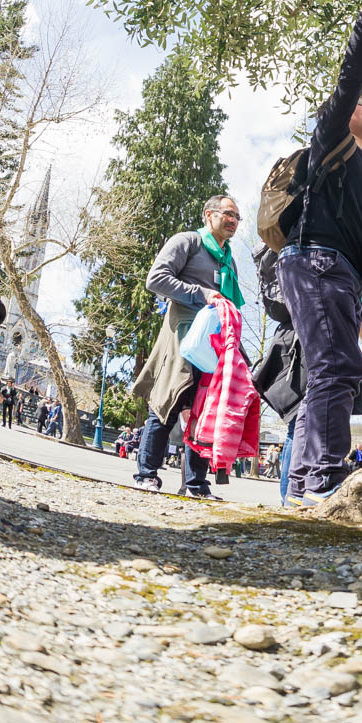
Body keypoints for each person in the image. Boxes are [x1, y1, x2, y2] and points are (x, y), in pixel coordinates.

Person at [278, 0, 362, 506]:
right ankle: (324, 479)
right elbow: (348, 84)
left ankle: (303, 482)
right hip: (313, 263)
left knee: (334, 367)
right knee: (333, 368)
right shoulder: (329, 144)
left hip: (336, 272)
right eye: (359, 101)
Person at [133, 195, 244, 500]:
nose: (233, 220)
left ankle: (195, 484)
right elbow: (155, 280)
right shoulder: (188, 242)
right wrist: (202, 294)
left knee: (204, 413)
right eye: (228, 214)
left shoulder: (229, 259)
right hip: (182, 338)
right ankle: (146, 475)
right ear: (209, 215)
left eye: (237, 217)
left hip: (215, 346)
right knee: (167, 405)